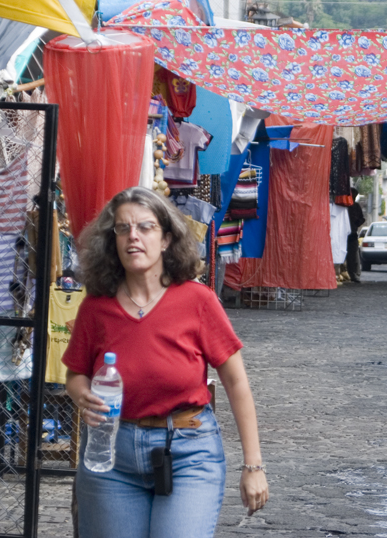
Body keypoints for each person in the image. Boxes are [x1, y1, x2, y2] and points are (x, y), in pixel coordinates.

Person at [64, 187, 269, 538]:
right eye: (123, 228)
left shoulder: (197, 300)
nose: (133, 237)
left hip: (188, 449)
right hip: (111, 455)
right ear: (111, 241)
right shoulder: (96, 308)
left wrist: (253, 465)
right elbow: (75, 374)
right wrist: (81, 394)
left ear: (166, 239)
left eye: (145, 227)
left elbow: (236, 382)